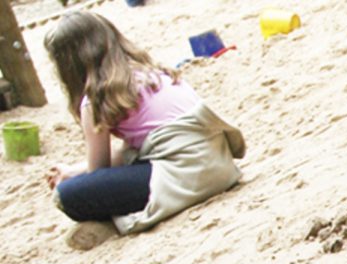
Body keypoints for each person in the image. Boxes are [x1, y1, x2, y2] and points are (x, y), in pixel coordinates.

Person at [43, 12, 244, 243]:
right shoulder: (152, 72)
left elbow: (99, 170)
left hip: (184, 176)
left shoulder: (96, 99)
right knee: (119, 167)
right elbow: (134, 150)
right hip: (217, 163)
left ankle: (110, 226)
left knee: (67, 195)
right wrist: (72, 171)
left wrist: (72, 180)